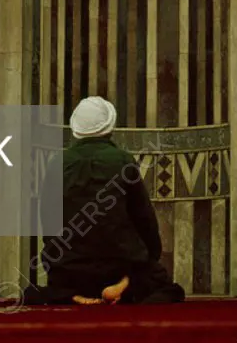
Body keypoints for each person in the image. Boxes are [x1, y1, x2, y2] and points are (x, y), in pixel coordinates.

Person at [25, 96, 185, 306]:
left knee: (32, 292)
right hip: (118, 268)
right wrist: (147, 259)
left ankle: (70, 296)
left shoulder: (57, 163)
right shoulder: (123, 161)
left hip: (72, 274)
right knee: (171, 290)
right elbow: (144, 219)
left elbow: (48, 226)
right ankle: (124, 286)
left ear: (76, 129)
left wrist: (61, 262)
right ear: (110, 126)